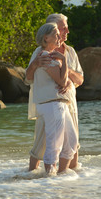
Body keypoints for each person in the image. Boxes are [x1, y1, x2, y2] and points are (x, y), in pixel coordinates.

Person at [26, 14, 84, 172]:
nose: (67, 31)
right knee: (43, 144)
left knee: (72, 143)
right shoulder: (40, 52)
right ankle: (36, 178)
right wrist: (35, 65)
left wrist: (67, 73)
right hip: (50, 102)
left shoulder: (70, 51)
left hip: (68, 102)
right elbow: (28, 78)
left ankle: (67, 178)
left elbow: (80, 79)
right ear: (50, 32)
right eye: (63, 28)